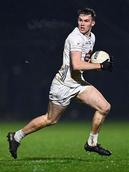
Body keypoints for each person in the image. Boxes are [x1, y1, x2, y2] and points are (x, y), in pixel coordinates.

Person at [7, 8, 112, 159]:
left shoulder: (91, 37)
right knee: (50, 119)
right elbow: (76, 65)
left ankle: (92, 143)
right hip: (62, 86)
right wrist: (101, 66)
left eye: (86, 21)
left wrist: (99, 62)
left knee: (104, 107)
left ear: (93, 23)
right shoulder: (75, 38)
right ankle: (16, 136)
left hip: (78, 83)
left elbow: (84, 61)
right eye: (80, 20)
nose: (82, 24)